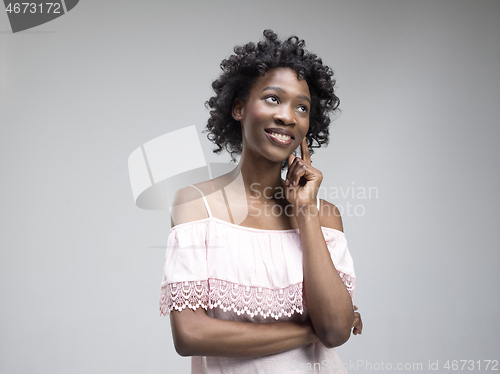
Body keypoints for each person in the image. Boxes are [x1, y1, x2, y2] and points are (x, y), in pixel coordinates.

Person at [159, 29, 363, 374]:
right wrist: (308, 332)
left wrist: (305, 212)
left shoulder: (324, 215)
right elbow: (190, 334)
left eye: (302, 107)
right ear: (238, 108)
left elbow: (335, 331)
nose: (288, 116)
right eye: (273, 98)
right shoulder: (197, 205)